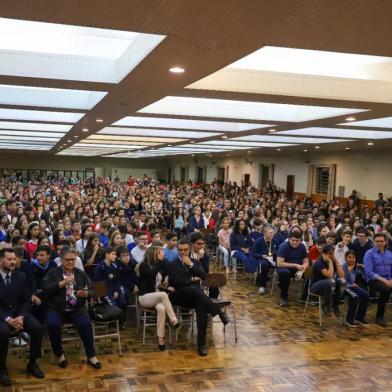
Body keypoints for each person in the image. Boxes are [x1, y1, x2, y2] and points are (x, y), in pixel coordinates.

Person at [163, 240, 230, 356]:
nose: (183, 252)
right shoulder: (171, 264)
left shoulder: (195, 262)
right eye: (180, 250)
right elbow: (175, 281)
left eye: (185, 250)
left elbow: (204, 277)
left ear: (189, 249)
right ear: (177, 250)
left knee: (201, 307)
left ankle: (201, 344)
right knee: (192, 289)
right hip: (181, 296)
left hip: (197, 297)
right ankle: (218, 312)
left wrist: (191, 265)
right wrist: (191, 279)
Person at [42, 247, 101, 369]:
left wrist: (87, 293)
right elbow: (45, 290)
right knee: (52, 324)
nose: (70, 262)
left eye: (73, 260)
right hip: (56, 308)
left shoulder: (80, 273)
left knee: (85, 323)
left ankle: (91, 355)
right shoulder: (53, 272)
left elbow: (97, 290)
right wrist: (61, 284)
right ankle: (60, 355)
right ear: (61, 260)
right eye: (67, 260)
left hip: (76, 308)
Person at [0, 248, 44, 386]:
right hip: (2, 316)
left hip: (19, 314)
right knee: (3, 332)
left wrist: (21, 317)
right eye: (9, 259)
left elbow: (26, 300)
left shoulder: (21, 276)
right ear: (1, 261)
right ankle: (1, 369)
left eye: (14, 259)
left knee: (37, 328)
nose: (13, 262)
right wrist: (8, 319)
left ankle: (32, 364)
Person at [137, 243, 180, 351]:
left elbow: (168, 271)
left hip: (157, 297)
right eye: (161, 252)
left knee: (162, 309)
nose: (163, 254)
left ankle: (161, 339)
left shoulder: (160, 264)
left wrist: (166, 282)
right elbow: (152, 274)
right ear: (154, 254)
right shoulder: (144, 265)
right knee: (163, 294)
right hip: (144, 297)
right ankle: (174, 320)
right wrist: (160, 261)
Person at [93, 246, 127, 327]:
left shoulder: (114, 266)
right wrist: (104, 295)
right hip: (104, 292)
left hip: (113, 290)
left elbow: (117, 281)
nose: (115, 256)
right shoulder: (100, 268)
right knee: (113, 306)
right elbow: (97, 285)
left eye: (115, 254)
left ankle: (121, 323)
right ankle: (112, 324)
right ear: (107, 255)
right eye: (113, 254)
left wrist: (116, 291)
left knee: (123, 303)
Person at [364, 232, 392, 327]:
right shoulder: (369, 253)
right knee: (386, 289)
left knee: (387, 287)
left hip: (388, 279)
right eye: (377, 241)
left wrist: (390, 280)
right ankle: (379, 316)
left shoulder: (389, 254)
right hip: (374, 279)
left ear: (385, 242)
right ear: (374, 242)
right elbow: (369, 272)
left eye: (381, 241)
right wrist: (385, 281)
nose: (379, 243)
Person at [310, 245, 346, 316]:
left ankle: (335, 305)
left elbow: (342, 275)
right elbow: (329, 276)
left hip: (330, 286)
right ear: (323, 254)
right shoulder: (319, 262)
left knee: (341, 281)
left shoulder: (333, 260)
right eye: (328, 254)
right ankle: (326, 305)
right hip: (315, 287)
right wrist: (330, 262)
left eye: (332, 254)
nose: (330, 256)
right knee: (330, 281)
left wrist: (336, 261)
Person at [276, 231, 309, 307]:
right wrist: (295, 265)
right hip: (285, 267)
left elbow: (306, 261)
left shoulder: (302, 247)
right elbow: (279, 263)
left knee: (312, 272)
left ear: (300, 240)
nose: (295, 243)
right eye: (293, 240)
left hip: (298, 268)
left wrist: (302, 269)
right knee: (284, 273)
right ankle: (283, 297)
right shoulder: (284, 246)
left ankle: (305, 296)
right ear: (289, 239)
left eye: (297, 241)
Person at [342, 250, 370, 328]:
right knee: (355, 297)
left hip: (352, 286)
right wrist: (351, 268)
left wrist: (362, 268)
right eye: (349, 257)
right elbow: (344, 278)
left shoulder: (355, 267)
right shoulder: (343, 266)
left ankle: (359, 318)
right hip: (343, 287)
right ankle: (349, 320)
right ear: (345, 258)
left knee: (366, 295)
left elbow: (357, 278)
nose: (351, 259)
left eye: (353, 258)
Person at [252, 225, 279, 294]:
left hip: (272, 259)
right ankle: (262, 286)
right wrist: (262, 255)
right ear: (264, 233)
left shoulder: (275, 241)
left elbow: (279, 252)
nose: (272, 234)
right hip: (261, 259)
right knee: (264, 264)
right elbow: (253, 254)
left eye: (272, 232)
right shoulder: (259, 241)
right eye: (270, 233)